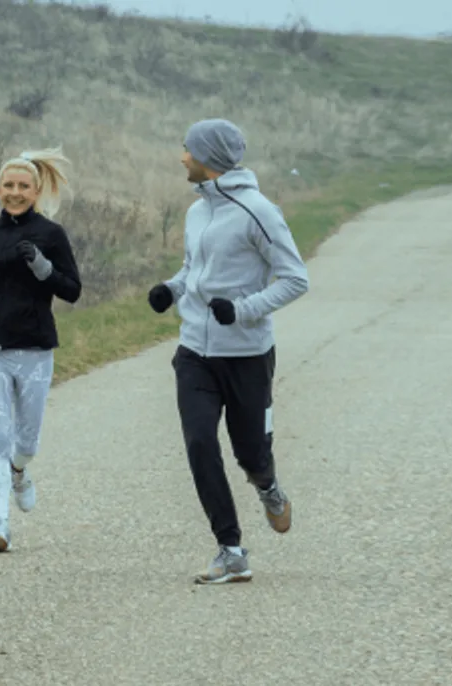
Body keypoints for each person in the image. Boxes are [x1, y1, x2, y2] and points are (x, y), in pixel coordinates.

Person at [146, 119, 310, 584]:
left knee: (251, 452)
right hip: (194, 351)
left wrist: (241, 310)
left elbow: (296, 278)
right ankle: (231, 549)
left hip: (246, 355)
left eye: (187, 150)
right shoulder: (197, 211)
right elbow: (193, 269)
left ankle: (268, 485)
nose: (182, 158)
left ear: (208, 158)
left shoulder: (258, 210)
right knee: (200, 443)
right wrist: (171, 290)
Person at [0, 147, 82, 553]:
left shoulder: (51, 234)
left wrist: (43, 267)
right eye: (8, 185)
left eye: (23, 186)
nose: (15, 192)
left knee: (26, 442)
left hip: (35, 347)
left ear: (37, 189)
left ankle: (20, 471)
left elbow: (72, 290)